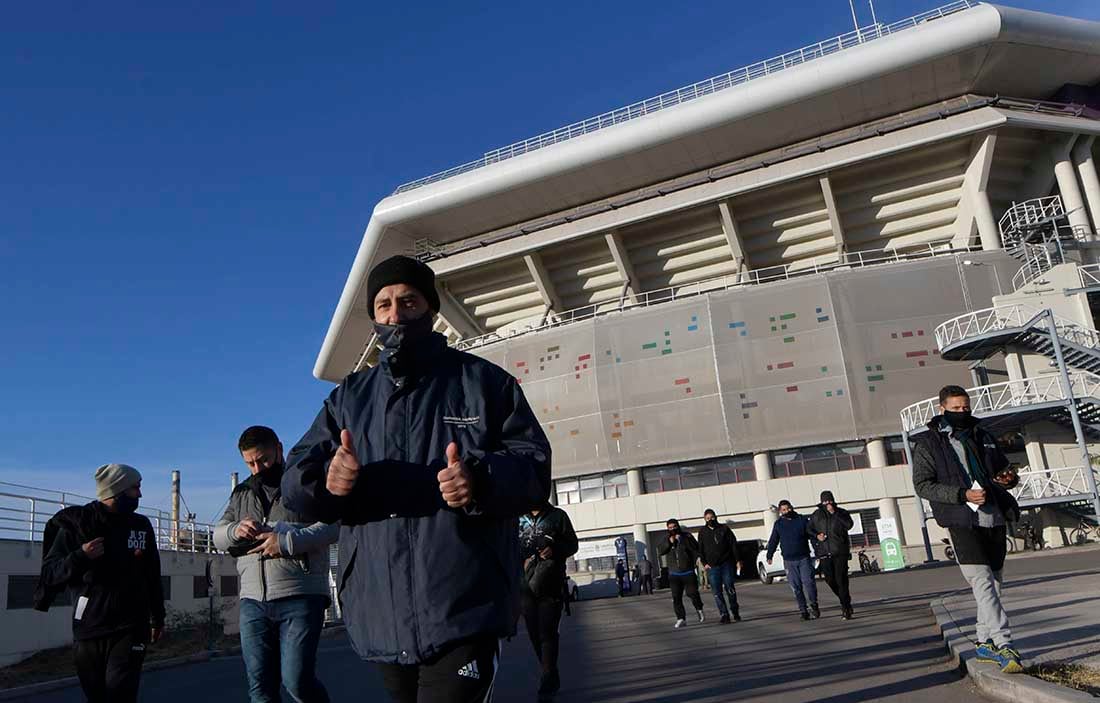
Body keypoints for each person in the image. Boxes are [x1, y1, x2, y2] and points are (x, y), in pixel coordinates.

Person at [281, 255, 552, 703]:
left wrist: (480, 481)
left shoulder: (485, 383)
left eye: (408, 301)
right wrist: (329, 483)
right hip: (379, 611)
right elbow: (296, 479)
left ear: (431, 307)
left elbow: (535, 466)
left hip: (466, 607)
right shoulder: (349, 398)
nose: (395, 313)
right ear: (372, 315)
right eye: (384, 304)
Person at [214, 426, 339, 703]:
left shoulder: (305, 481)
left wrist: (286, 541)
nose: (257, 468)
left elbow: (334, 526)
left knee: (297, 682)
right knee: (260, 688)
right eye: (250, 463)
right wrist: (236, 530)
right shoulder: (241, 493)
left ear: (279, 449)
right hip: (252, 602)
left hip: (301, 596)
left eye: (263, 460)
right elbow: (218, 535)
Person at [912, 385, 1023, 673]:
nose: (962, 413)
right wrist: (962, 495)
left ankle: (984, 642)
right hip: (961, 520)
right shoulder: (927, 443)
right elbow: (923, 486)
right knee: (982, 582)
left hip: (993, 516)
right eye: (956, 408)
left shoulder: (983, 435)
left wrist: (1009, 478)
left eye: (965, 408)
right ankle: (1005, 643)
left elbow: (1001, 469)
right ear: (942, 408)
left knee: (995, 585)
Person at [34, 464, 165, 703]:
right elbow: (50, 573)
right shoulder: (78, 525)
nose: (140, 495)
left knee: (120, 693)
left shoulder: (141, 526)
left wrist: (158, 617)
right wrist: (81, 556)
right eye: (135, 488)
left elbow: (152, 574)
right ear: (116, 491)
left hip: (131, 628)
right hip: (89, 629)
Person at [518, 501, 578, 699]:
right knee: (534, 633)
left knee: (547, 631)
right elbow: (506, 545)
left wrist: (555, 549)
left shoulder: (557, 516)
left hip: (550, 583)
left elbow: (572, 545)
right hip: (524, 586)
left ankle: (547, 674)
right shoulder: (516, 517)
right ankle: (550, 670)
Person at [765, 500, 819, 620]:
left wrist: (818, 543)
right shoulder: (779, 524)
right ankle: (803, 610)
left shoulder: (801, 520)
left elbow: (811, 534)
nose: (787, 511)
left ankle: (814, 604)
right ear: (780, 511)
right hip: (789, 560)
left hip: (804, 557)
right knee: (796, 587)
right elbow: (773, 540)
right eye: (784, 510)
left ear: (792, 508)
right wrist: (770, 555)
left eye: (788, 508)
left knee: (809, 583)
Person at [809, 491, 855, 620]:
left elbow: (849, 525)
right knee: (830, 579)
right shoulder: (816, 515)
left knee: (841, 580)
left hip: (839, 552)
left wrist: (835, 513)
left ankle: (846, 608)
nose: (827, 504)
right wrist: (817, 536)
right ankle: (844, 599)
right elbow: (809, 529)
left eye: (829, 501)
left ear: (833, 501)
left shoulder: (842, 512)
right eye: (825, 502)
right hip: (824, 552)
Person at [697, 509, 742, 623]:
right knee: (717, 592)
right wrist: (704, 563)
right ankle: (724, 614)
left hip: (726, 563)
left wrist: (737, 560)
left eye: (712, 517)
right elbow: (700, 549)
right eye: (707, 518)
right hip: (712, 567)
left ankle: (735, 612)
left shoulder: (724, 529)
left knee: (730, 588)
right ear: (704, 519)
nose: (710, 520)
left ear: (715, 517)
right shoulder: (702, 531)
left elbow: (733, 545)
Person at [658, 518, 705, 629]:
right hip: (674, 574)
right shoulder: (666, 538)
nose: (672, 529)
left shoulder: (687, 536)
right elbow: (661, 551)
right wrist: (670, 541)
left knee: (692, 593)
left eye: (674, 527)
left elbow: (695, 548)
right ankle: (681, 618)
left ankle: (699, 609)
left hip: (688, 571)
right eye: (670, 528)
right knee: (676, 597)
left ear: (678, 526)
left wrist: (682, 540)